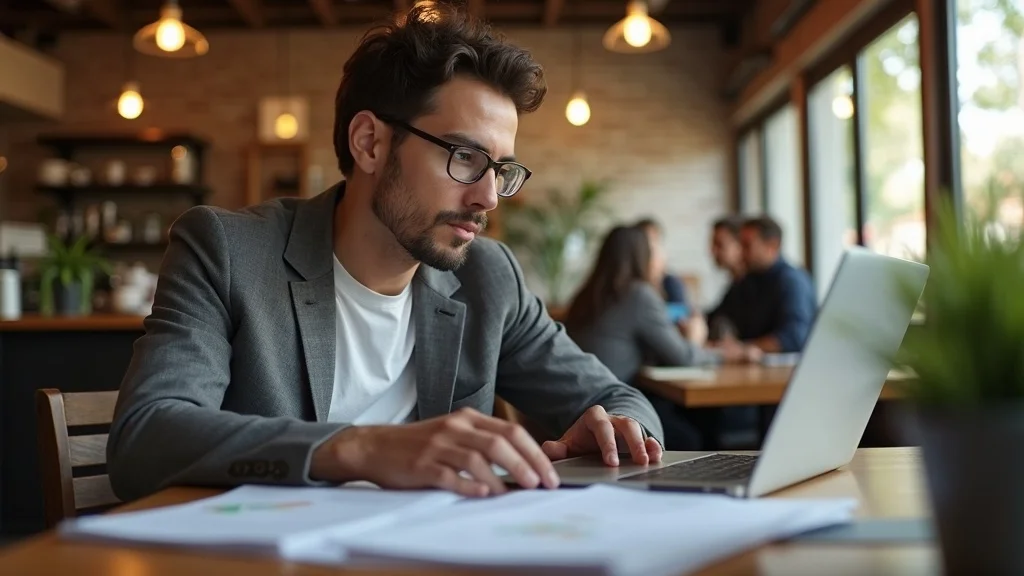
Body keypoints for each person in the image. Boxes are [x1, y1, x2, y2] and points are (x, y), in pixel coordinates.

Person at [106, 4, 664, 503]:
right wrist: (361, 448)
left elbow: (617, 396)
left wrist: (619, 430)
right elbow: (146, 437)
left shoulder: (490, 278)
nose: (488, 197)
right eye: (466, 157)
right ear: (370, 143)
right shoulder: (227, 251)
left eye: (500, 169)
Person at [564, 226, 758, 449]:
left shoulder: (586, 295)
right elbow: (684, 358)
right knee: (691, 437)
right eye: (657, 250)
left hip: (578, 408)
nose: (663, 258)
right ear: (642, 256)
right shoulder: (638, 294)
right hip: (609, 410)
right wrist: (702, 340)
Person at [711, 216, 816, 353]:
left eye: (747, 246)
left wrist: (742, 348)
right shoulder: (747, 281)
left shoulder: (792, 281)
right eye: (740, 245)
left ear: (772, 246)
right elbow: (717, 315)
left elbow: (794, 337)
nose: (740, 252)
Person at [705, 216, 745, 341]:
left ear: (740, 246)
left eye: (719, 245)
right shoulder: (736, 286)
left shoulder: (752, 287)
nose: (712, 251)